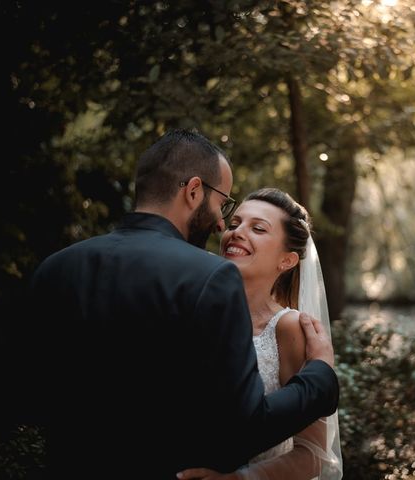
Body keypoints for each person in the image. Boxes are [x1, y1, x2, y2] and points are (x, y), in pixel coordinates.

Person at [19, 129, 339, 479]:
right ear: (193, 191)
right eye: (225, 209)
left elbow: (29, 396)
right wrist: (321, 376)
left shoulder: (54, 267)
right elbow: (241, 428)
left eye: (257, 228)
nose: (222, 225)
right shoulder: (207, 278)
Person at [177, 188, 343, 480]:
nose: (238, 232)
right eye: (234, 224)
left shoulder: (290, 329)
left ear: (287, 261)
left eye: (258, 228)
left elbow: (313, 455)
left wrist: (240, 479)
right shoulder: (191, 310)